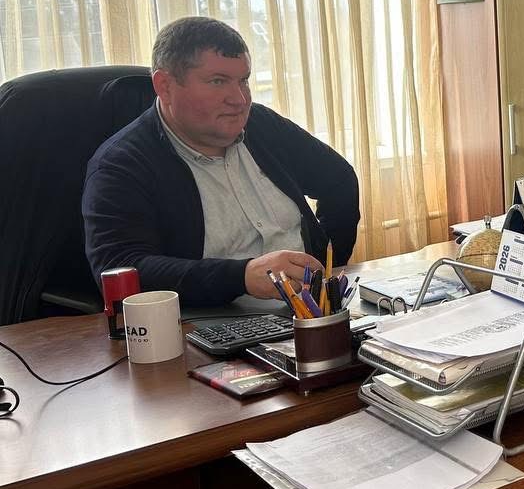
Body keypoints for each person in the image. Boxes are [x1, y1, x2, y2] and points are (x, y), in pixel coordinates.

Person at [83, 17, 360, 308]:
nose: (239, 100)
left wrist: (327, 270)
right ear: (165, 86)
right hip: (210, 321)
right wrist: (241, 277)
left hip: (310, 312)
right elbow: (120, 269)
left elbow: (339, 180)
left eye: (243, 81)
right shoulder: (121, 165)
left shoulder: (261, 125)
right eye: (218, 81)